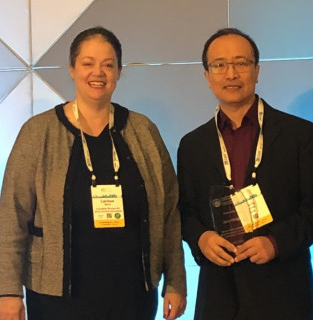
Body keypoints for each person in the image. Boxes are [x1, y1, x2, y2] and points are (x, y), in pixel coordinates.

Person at [0, 26, 186, 320]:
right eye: (88, 63)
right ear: (72, 68)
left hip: (133, 294)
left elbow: (170, 214)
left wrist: (176, 282)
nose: (98, 73)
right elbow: (12, 216)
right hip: (56, 298)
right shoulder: (38, 133)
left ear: (119, 72)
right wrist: (8, 291)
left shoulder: (143, 131)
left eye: (108, 65)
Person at [178, 28, 313, 320]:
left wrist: (275, 242)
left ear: (257, 71)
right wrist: (201, 238)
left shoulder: (299, 135)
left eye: (241, 63)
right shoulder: (192, 145)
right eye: (219, 65)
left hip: (284, 292)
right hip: (218, 294)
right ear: (207, 76)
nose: (231, 73)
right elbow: (184, 211)